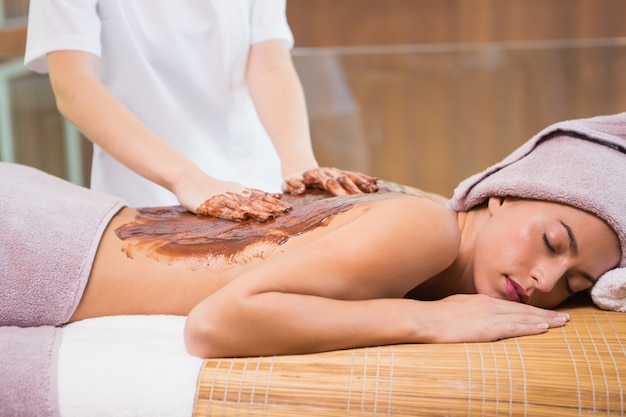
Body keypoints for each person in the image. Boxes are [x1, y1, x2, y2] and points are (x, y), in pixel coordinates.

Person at [2, 113, 625, 359]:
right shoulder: (425, 229)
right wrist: (425, 323)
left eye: (575, 282)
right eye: (551, 241)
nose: (547, 280)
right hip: (37, 244)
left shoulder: (423, 222)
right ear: (501, 191)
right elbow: (216, 325)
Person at [23, 1, 369, 220]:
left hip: (258, 191)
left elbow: (268, 62)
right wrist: (186, 178)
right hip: (143, 192)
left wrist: (298, 163)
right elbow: (74, 86)